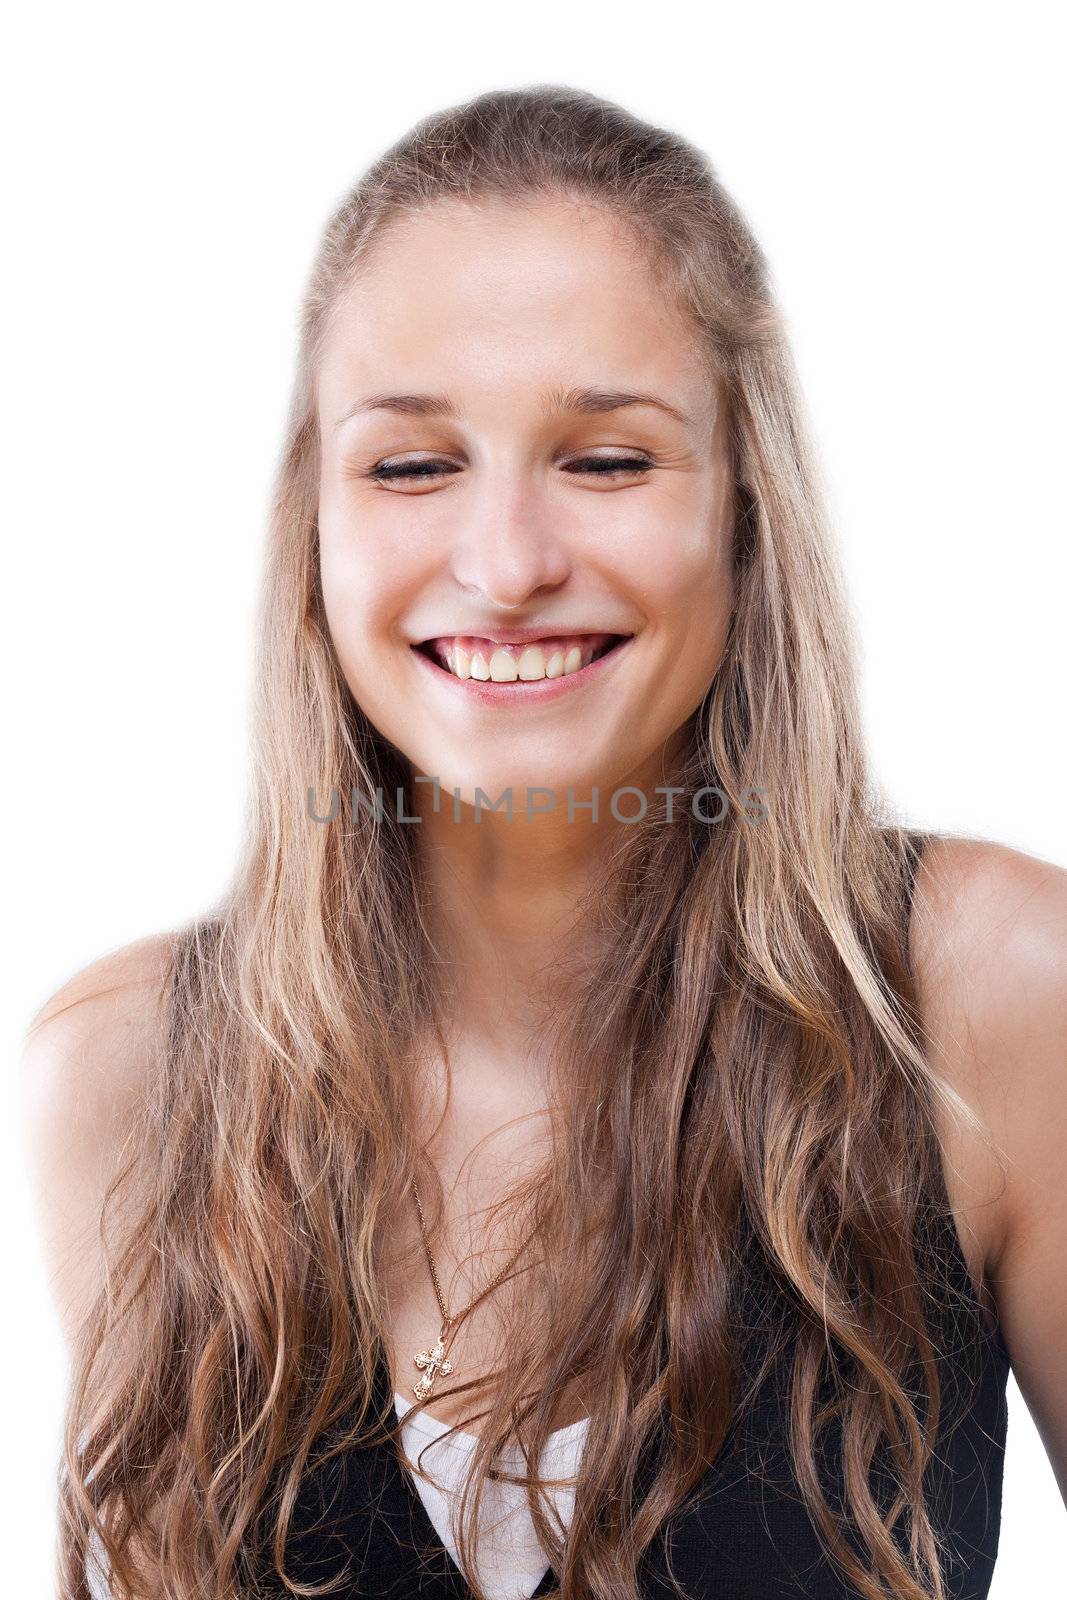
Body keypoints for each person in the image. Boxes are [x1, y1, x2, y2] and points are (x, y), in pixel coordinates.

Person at [20, 85, 1067, 1600]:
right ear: (312, 529)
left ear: (745, 517)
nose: (506, 565)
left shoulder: (992, 994)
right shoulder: (126, 1079)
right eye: (411, 465)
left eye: (609, 460)